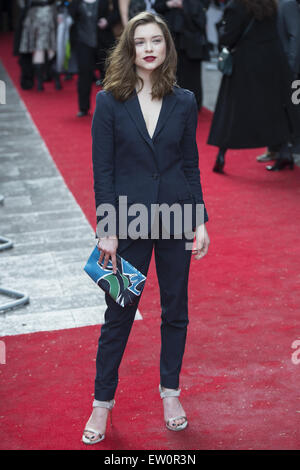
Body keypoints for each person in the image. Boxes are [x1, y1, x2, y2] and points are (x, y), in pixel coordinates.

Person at [82, 11, 210, 444]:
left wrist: (199, 221)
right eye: (141, 42)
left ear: (167, 47)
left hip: (175, 220)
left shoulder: (185, 101)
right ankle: (102, 404)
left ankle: (170, 393)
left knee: (176, 311)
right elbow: (104, 171)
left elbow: (190, 166)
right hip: (127, 224)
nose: (150, 48)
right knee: (117, 315)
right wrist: (107, 228)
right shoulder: (108, 101)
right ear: (130, 48)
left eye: (157, 41)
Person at [207, 0, 300, 173]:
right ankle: (284, 154)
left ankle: (221, 155)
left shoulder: (235, 6)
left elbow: (228, 38)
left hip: (245, 64)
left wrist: (221, 30)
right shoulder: (269, 4)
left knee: (231, 112)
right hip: (273, 61)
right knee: (276, 110)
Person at [256, 0, 300, 168]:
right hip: (276, 66)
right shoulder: (274, 4)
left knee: (290, 109)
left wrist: (290, 67)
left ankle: (287, 150)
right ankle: (276, 149)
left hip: (288, 69)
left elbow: (295, 35)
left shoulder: (286, 4)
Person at [154, 0, 210, 111]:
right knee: (171, 71)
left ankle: (194, 104)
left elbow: (203, 6)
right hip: (172, 37)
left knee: (193, 74)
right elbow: (158, 6)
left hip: (192, 36)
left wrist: (184, 4)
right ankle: (172, 102)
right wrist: (169, 4)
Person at [69, 0, 120, 117]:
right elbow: (71, 13)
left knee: (108, 75)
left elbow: (117, 12)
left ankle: (110, 107)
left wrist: (108, 21)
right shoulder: (76, 3)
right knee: (84, 74)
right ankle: (83, 107)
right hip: (83, 42)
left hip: (104, 41)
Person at [18, 0, 61, 91]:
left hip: (36, 13)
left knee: (39, 48)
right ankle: (56, 82)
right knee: (51, 46)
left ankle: (40, 84)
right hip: (48, 12)